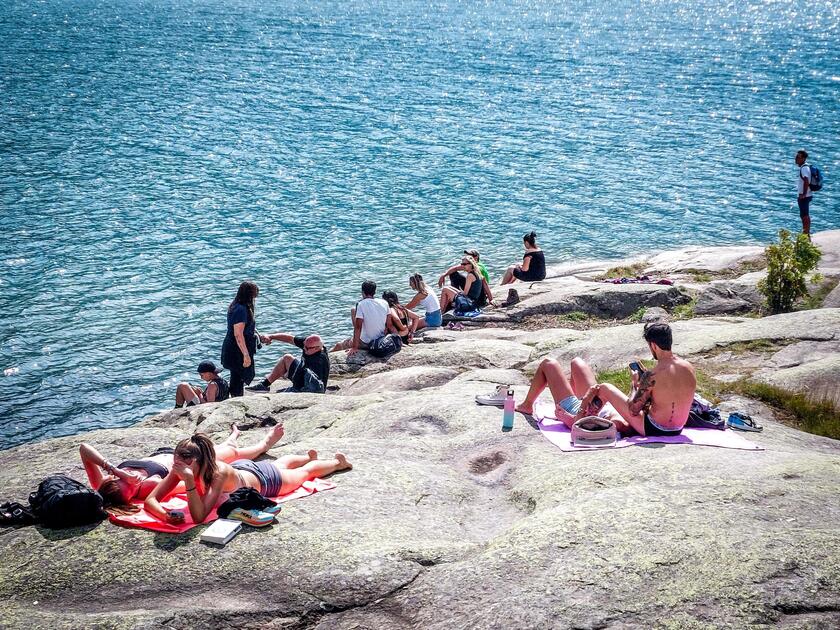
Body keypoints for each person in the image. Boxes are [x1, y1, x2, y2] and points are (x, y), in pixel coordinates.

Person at [516, 322, 696, 436]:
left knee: (606, 388)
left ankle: (575, 420)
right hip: (677, 428)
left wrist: (635, 385)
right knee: (579, 365)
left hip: (653, 428)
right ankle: (581, 408)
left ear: (654, 346)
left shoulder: (653, 375)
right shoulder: (689, 368)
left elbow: (634, 410)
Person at [144, 433, 352, 525]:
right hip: (242, 470)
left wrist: (189, 483)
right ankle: (307, 456)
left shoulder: (217, 474)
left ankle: (338, 463)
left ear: (200, 460)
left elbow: (199, 516)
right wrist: (165, 515)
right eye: (177, 455)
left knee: (304, 474)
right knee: (280, 462)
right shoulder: (180, 468)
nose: (178, 460)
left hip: (266, 481)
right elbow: (150, 501)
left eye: (185, 457)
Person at [79, 424, 284, 512]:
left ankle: (233, 436)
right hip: (188, 461)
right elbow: (186, 485)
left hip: (171, 452)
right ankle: (265, 443)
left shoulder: (102, 483)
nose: (135, 482)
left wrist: (116, 470)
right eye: (133, 491)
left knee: (224, 448)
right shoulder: (149, 486)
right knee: (231, 452)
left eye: (127, 482)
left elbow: (84, 449)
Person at [221, 281, 270, 397]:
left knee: (237, 375)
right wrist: (246, 354)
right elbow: (238, 334)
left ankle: (236, 396)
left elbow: (248, 326)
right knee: (238, 375)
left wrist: (259, 335)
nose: (255, 298)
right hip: (237, 349)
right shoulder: (241, 309)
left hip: (236, 346)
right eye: (254, 295)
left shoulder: (238, 306)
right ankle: (236, 398)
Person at [245, 333, 329, 394]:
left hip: (308, 387)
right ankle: (264, 385)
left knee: (278, 395)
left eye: (307, 348)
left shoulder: (319, 362)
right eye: (304, 346)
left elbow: (316, 388)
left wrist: (293, 390)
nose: (304, 349)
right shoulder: (308, 344)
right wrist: (271, 336)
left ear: (317, 348)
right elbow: (290, 339)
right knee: (287, 358)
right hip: (301, 376)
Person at [330, 280, 390, 356]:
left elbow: (358, 327)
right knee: (353, 310)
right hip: (380, 340)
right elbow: (389, 324)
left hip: (366, 343)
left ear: (362, 292)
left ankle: (326, 357)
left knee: (339, 345)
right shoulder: (384, 303)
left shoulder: (361, 304)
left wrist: (355, 347)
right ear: (374, 292)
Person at [795, 150, 814, 237]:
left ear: (803, 158)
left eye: (798, 157)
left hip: (804, 196)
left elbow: (806, 181)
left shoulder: (804, 168)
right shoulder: (806, 167)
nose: (796, 159)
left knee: (804, 215)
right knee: (804, 215)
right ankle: (806, 233)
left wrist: (803, 194)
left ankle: (806, 234)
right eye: (796, 157)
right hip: (807, 195)